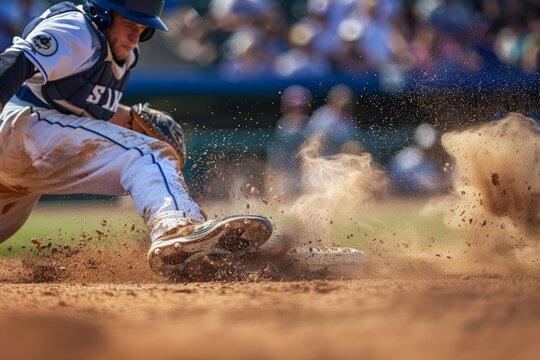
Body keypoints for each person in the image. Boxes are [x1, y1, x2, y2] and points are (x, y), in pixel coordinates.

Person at [0, 0, 272, 278]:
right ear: (103, 14)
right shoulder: (76, 28)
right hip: (21, 130)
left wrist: (128, 118)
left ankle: (192, 247)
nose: (135, 35)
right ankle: (175, 227)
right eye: (129, 24)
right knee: (149, 154)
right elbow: (10, 64)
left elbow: (78, 111)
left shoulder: (121, 56)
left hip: (27, 150)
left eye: (143, 27)